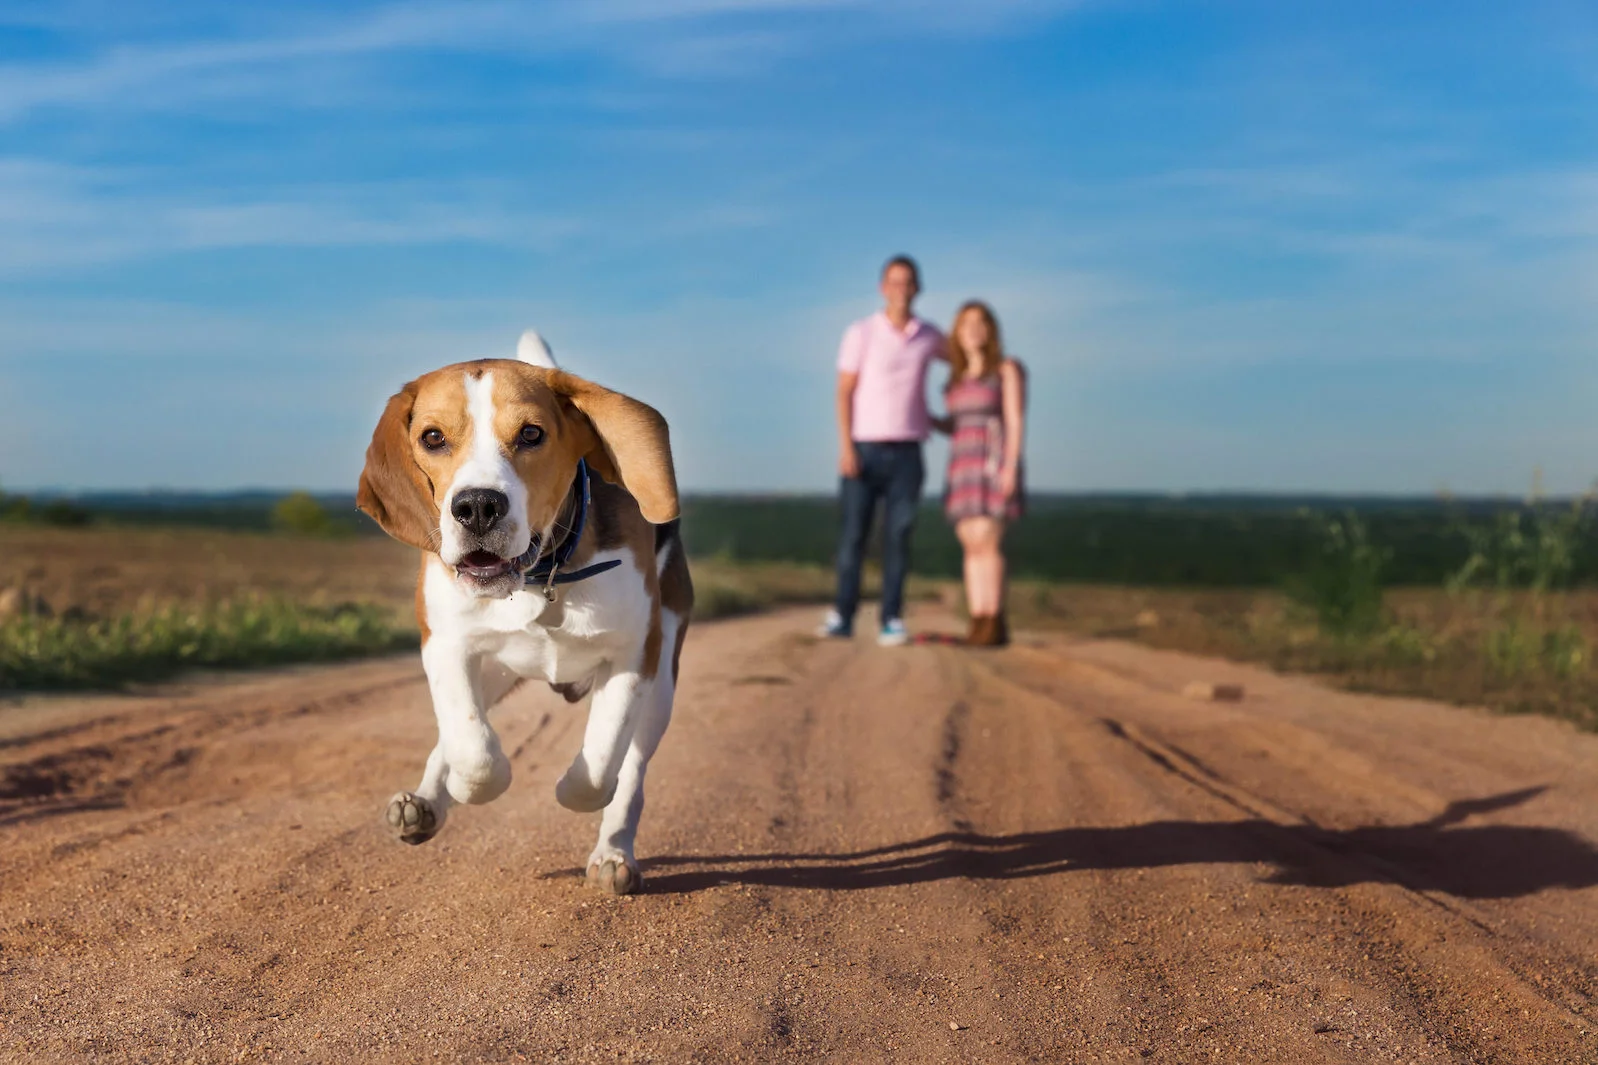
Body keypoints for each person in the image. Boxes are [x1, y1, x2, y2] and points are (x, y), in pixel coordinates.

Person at [818, 255, 946, 646]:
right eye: (894, 282)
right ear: (882, 288)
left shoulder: (930, 336)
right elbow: (844, 391)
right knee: (853, 537)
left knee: (898, 537)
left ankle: (891, 619)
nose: (901, 289)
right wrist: (846, 446)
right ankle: (843, 616)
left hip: (908, 451)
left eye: (907, 282)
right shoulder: (861, 332)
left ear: (917, 288)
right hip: (863, 449)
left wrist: (950, 416)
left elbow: (967, 362)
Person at [941, 300, 1026, 647]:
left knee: (989, 540)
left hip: (992, 460)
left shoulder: (1005, 370)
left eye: (980, 323)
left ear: (991, 330)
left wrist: (1011, 467)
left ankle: (994, 617)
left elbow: (1015, 420)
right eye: (966, 324)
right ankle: (977, 618)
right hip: (962, 463)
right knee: (970, 542)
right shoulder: (956, 380)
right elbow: (955, 424)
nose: (973, 330)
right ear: (957, 333)